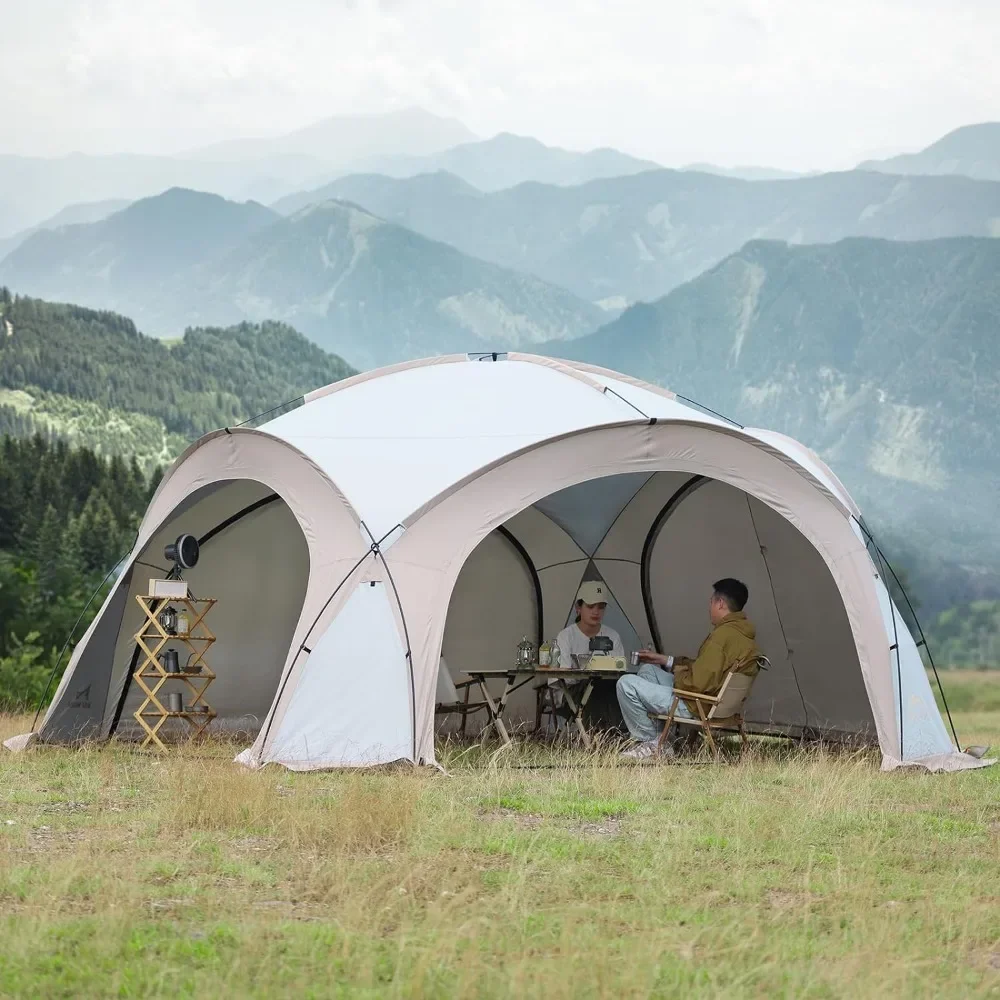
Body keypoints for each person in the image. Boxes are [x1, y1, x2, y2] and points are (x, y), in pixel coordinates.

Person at [616, 578, 761, 759]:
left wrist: (678, 673)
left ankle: (652, 742)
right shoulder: (744, 637)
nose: (709, 608)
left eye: (711, 602)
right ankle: (663, 738)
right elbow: (707, 669)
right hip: (715, 703)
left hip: (695, 704)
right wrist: (665, 660)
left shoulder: (721, 638)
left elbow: (695, 684)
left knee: (626, 684)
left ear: (720, 603)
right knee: (648, 670)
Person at [555, 581, 624, 668]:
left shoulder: (613, 637)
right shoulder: (566, 636)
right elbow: (561, 674)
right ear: (578, 608)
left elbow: (618, 670)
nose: (596, 612)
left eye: (601, 607)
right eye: (590, 606)